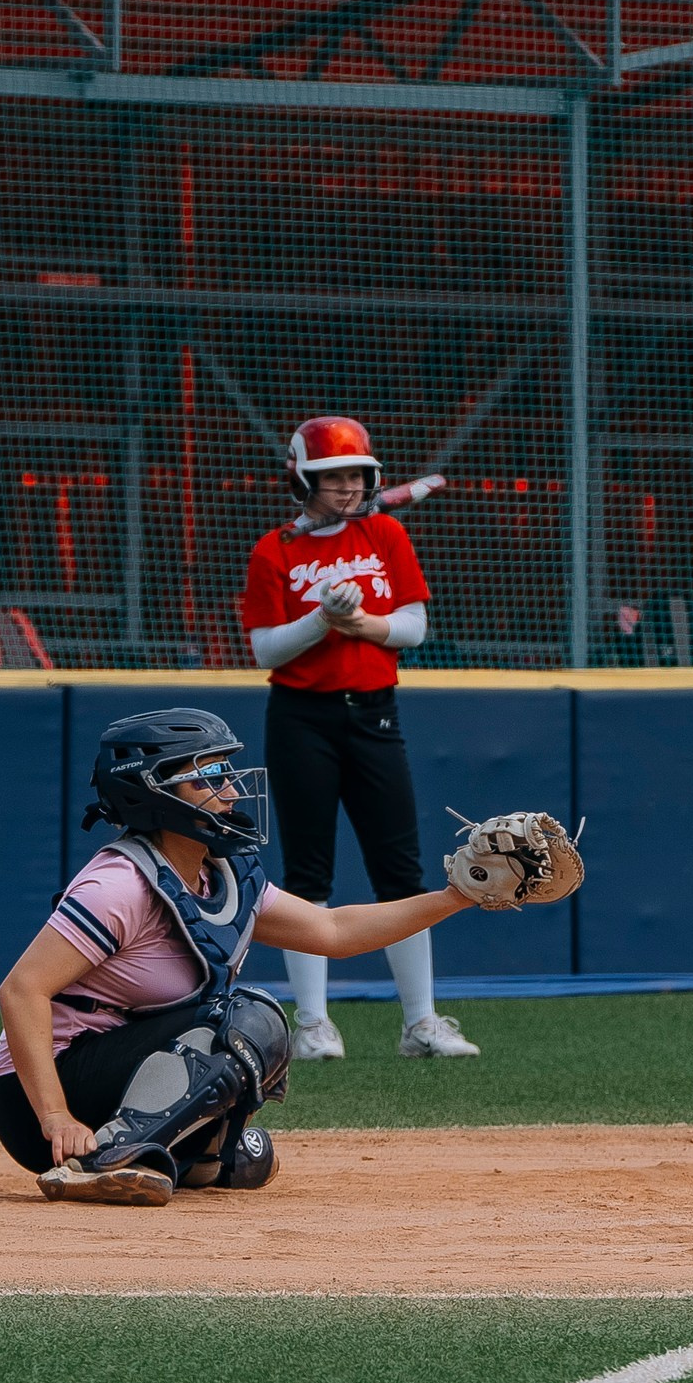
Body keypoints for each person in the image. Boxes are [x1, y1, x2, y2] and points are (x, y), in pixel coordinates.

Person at [0, 707, 580, 1207]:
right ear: (153, 792)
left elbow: (333, 930)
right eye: (209, 776)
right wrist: (55, 1115)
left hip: (114, 1070)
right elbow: (21, 990)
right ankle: (103, 1158)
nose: (230, 789)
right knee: (246, 1019)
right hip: (41, 1094)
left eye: (226, 771)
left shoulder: (218, 872)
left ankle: (180, 1154)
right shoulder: (120, 884)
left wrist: (458, 895)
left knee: (250, 1159)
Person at [240, 415, 471, 1061]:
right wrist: (320, 618)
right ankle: (313, 1024)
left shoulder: (386, 532)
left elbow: (414, 627)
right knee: (308, 871)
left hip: (375, 713)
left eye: (355, 476)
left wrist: (361, 621)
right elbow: (266, 647)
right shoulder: (274, 550)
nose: (346, 487)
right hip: (300, 715)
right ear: (302, 479)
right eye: (331, 476)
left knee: (399, 867)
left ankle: (420, 1022)